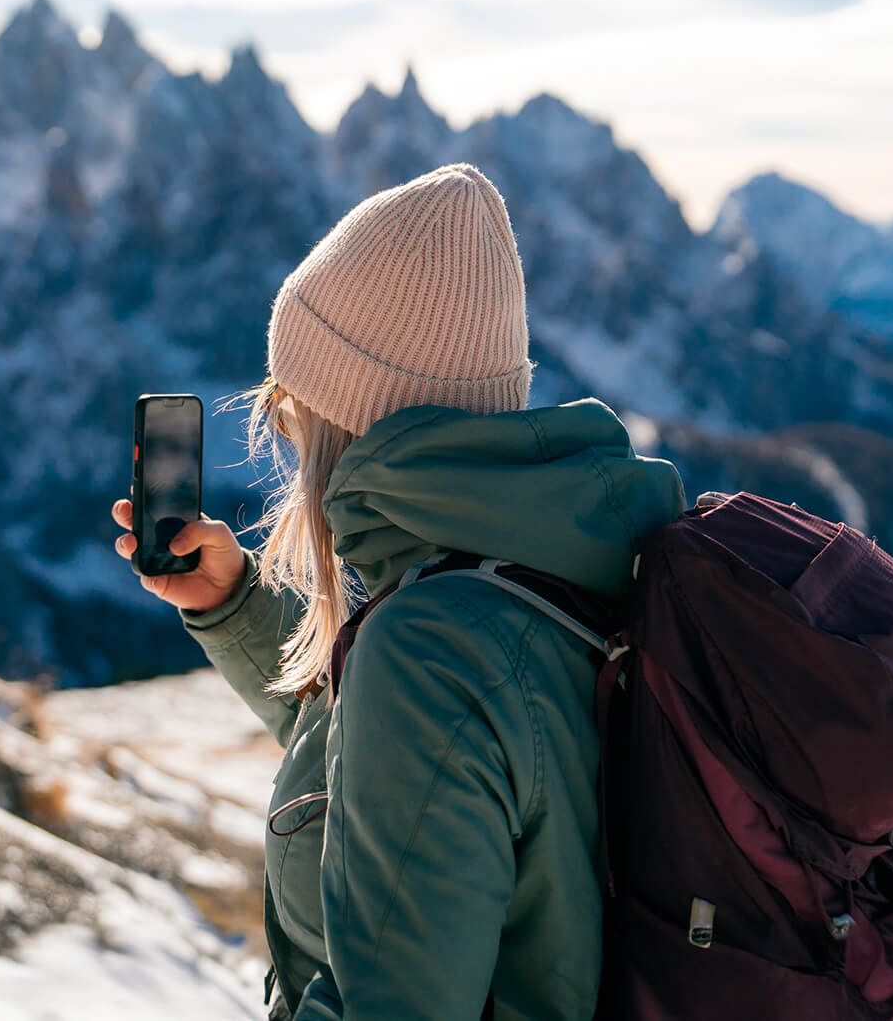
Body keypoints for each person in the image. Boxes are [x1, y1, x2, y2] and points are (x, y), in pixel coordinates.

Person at [111, 162, 685, 1020]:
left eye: (288, 408)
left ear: (348, 415)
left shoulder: (429, 649)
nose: (285, 438)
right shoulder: (560, 555)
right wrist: (235, 609)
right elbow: (416, 761)